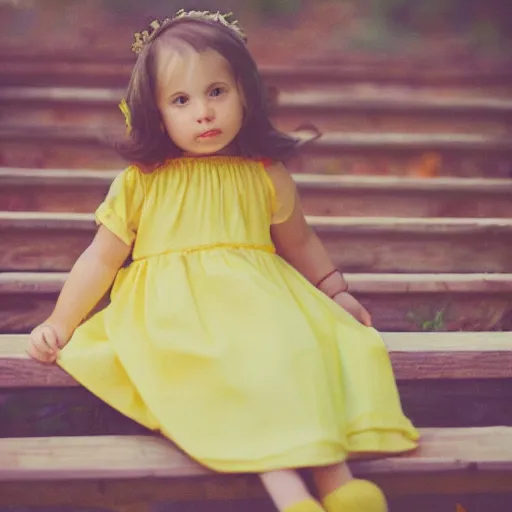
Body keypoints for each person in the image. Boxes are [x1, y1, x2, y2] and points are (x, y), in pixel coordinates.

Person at [27, 9, 419, 512]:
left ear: (246, 94)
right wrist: (61, 322)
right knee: (230, 368)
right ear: (156, 113)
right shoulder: (143, 182)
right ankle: (288, 494)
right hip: (176, 314)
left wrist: (333, 287)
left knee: (296, 348)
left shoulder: (263, 174)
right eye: (181, 100)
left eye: (217, 92)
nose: (203, 113)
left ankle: (338, 483)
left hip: (262, 300)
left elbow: (299, 241)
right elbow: (99, 261)